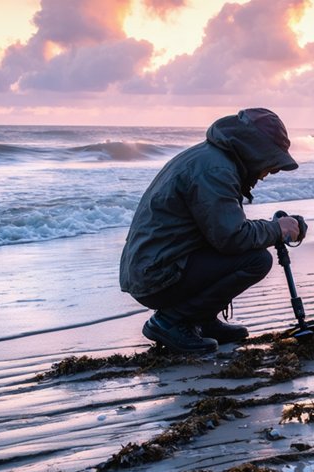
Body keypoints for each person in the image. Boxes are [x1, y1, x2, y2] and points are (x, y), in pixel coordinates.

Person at [119, 108, 302, 353]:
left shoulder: (213, 158)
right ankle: (171, 321)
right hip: (157, 276)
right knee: (256, 261)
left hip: (157, 266)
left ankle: (202, 320)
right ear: (255, 150)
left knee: (247, 252)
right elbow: (233, 238)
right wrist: (276, 229)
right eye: (271, 162)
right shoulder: (216, 170)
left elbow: (222, 231)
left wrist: (277, 228)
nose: (269, 172)